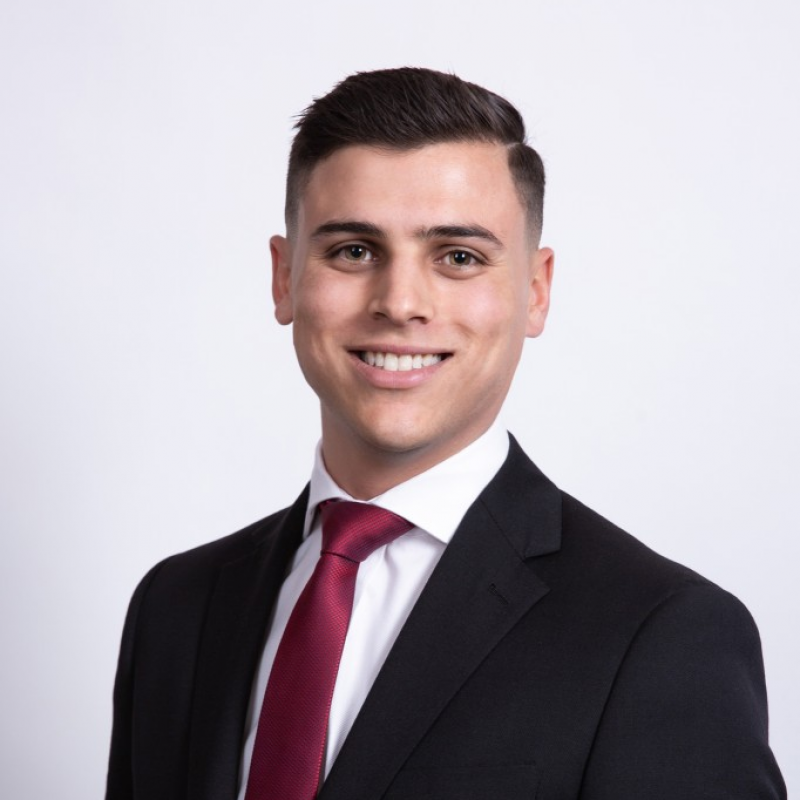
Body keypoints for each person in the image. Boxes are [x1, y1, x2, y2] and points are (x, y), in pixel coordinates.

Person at [105, 67, 786, 800]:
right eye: (353, 250)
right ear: (284, 277)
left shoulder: (661, 635)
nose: (400, 303)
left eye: (459, 257)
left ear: (535, 290)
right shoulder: (176, 608)